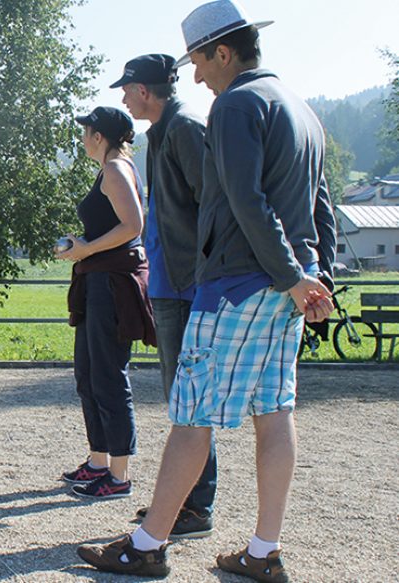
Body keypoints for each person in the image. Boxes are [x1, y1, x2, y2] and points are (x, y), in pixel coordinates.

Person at [77, 1, 336, 580]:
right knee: (274, 412)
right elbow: (324, 206)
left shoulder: (237, 103)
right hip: (282, 288)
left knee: (191, 414)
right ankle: (264, 551)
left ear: (223, 51)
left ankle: (146, 546)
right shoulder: (302, 108)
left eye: (197, 61)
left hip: (238, 283)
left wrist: (294, 276)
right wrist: (316, 277)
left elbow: (245, 201)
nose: (193, 76)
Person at [115, 54, 216, 538]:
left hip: (188, 284)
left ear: (145, 90)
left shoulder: (184, 129)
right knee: (183, 399)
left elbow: (214, 203)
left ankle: (196, 507)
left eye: (126, 89)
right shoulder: (162, 132)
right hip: (171, 282)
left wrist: (201, 271)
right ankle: (184, 503)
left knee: (191, 400)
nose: (122, 98)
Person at [57, 106, 155, 500]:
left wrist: (86, 250)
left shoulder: (116, 170)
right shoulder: (114, 167)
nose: (82, 139)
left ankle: (119, 474)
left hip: (111, 284)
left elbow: (134, 226)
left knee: (109, 376)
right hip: (100, 280)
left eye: (86, 132)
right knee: (89, 372)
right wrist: (84, 251)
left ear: (99, 136)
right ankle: (99, 461)